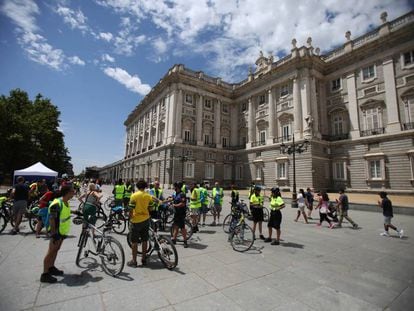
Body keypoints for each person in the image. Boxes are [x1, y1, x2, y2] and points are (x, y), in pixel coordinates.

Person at [40, 185, 75, 283]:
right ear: (67, 192)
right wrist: (54, 233)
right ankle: (45, 274)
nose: (74, 193)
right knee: (51, 251)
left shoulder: (65, 202)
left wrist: (75, 212)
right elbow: (52, 218)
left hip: (62, 231)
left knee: (56, 250)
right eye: (72, 191)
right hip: (56, 232)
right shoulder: (57, 203)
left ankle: (51, 267)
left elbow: (64, 212)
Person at [127, 179, 155, 267]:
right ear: (145, 187)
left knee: (134, 242)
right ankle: (143, 259)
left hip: (136, 220)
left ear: (137, 187)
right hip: (146, 220)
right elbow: (151, 209)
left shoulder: (134, 196)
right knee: (144, 240)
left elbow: (131, 209)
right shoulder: (148, 196)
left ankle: (134, 261)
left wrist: (130, 217)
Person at [170, 182, 189, 248]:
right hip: (177, 213)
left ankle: (185, 241)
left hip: (181, 213)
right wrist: (163, 202)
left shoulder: (182, 194)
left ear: (177, 187)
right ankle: (174, 239)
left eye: (174, 186)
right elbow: (171, 198)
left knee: (182, 228)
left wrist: (174, 205)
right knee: (176, 226)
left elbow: (183, 204)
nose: (173, 188)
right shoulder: (176, 193)